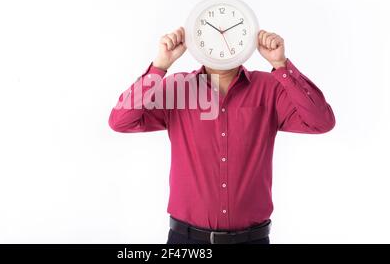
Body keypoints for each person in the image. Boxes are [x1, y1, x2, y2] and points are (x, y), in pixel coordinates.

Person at [108, 27, 335, 244]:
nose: (222, 44)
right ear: (197, 43)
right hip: (186, 242)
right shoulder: (178, 88)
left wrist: (281, 65)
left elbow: (321, 122)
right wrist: (159, 66)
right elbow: (120, 121)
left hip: (252, 240)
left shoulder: (269, 88)